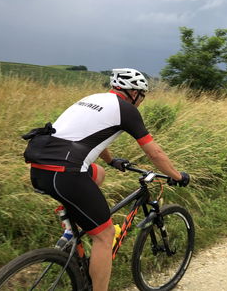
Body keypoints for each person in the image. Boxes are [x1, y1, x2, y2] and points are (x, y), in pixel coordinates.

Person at [21, 68, 190, 291]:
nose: (141, 101)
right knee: (105, 235)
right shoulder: (126, 109)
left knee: (98, 173)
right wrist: (177, 176)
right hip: (66, 174)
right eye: (142, 95)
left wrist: (111, 162)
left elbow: (89, 136)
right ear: (133, 93)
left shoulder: (92, 99)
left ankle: (72, 229)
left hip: (40, 168)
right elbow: (154, 153)